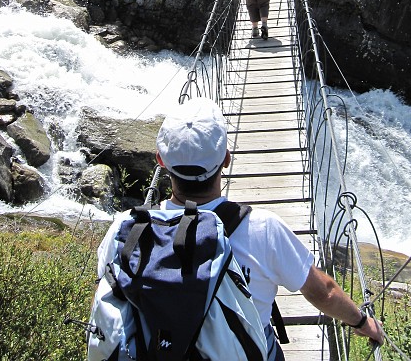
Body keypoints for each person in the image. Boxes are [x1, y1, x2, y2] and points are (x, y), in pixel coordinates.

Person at [155, 97, 385, 361]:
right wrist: (361, 322)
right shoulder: (262, 228)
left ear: (161, 160)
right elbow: (323, 293)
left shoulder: (129, 231)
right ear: (227, 159)